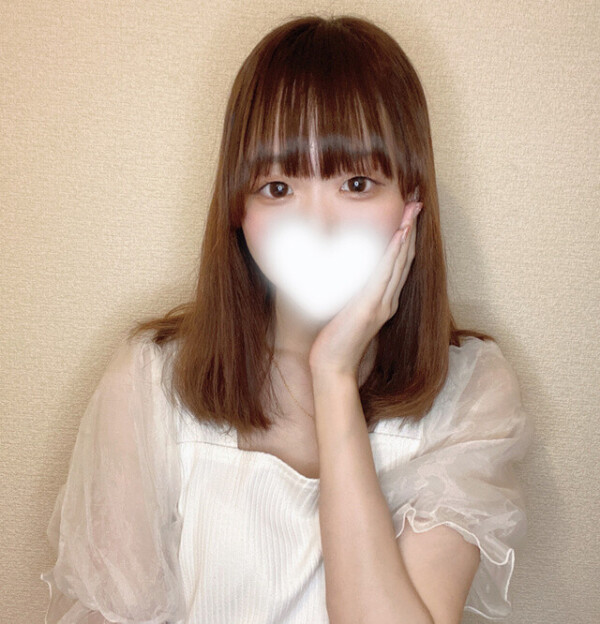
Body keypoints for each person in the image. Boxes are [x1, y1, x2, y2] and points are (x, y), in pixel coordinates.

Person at [40, 14, 534, 624]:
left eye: (356, 183)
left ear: (412, 201)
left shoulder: (471, 391)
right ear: (237, 208)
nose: (318, 225)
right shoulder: (150, 381)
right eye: (277, 188)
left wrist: (333, 375)